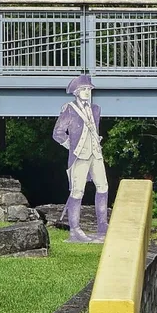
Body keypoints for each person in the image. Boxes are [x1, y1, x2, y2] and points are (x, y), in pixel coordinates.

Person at [51, 75, 107, 242]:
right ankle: (75, 229)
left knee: (103, 187)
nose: (87, 92)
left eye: (89, 89)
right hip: (79, 156)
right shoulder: (69, 109)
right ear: (76, 92)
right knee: (77, 191)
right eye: (83, 89)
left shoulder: (96, 109)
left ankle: (102, 225)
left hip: (96, 153)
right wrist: (71, 146)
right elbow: (58, 133)